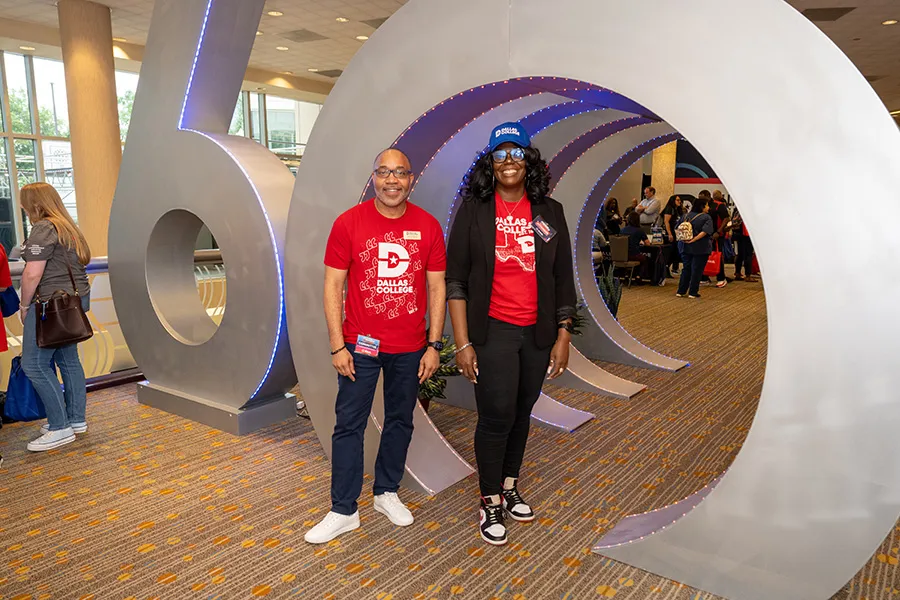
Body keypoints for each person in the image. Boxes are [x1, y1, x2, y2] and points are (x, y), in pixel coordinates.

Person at [305, 149, 447, 544]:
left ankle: (387, 492)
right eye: (384, 172)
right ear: (374, 177)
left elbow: (436, 287)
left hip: (411, 347)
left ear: (411, 179)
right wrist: (338, 345)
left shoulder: (429, 227)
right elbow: (333, 285)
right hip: (360, 347)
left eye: (400, 172)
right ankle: (343, 509)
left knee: (401, 420)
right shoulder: (348, 223)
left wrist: (434, 344)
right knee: (349, 424)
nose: (391, 180)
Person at [446, 122, 577, 546]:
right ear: (490, 163)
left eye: (516, 153)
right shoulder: (473, 210)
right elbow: (457, 281)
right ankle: (489, 500)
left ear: (529, 160)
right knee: (496, 413)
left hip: (537, 333)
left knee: (522, 411)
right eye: (499, 155)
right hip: (493, 331)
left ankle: (508, 484)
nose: (508, 162)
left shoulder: (549, 212)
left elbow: (562, 278)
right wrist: (463, 342)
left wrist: (563, 334)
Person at [18, 182, 91, 452]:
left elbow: (32, 274)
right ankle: (75, 420)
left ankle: (60, 427)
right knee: (68, 360)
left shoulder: (43, 227)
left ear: (35, 205)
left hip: (51, 304)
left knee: (34, 365)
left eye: (25, 204)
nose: (24, 209)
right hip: (74, 301)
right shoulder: (67, 226)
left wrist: (24, 306)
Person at [675, 197, 714, 299]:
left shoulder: (684, 216)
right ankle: (693, 292)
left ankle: (681, 291)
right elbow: (706, 231)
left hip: (685, 246)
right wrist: (695, 239)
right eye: (707, 205)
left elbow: (677, 228)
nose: (708, 208)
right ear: (702, 206)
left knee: (686, 268)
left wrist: (683, 239)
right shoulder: (706, 217)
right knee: (697, 269)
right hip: (701, 247)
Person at [619, 211, 650, 280]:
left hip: (623, 255)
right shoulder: (640, 230)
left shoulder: (622, 230)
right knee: (644, 259)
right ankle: (639, 275)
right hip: (634, 254)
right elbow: (647, 243)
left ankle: (627, 274)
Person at [709, 190, 731, 288]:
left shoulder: (720, 206)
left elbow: (726, 218)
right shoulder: (710, 205)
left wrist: (719, 231)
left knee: (717, 255)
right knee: (709, 255)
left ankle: (721, 278)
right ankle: (705, 277)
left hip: (717, 235)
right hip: (709, 234)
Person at [731, 206, 758, 282]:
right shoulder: (749, 210)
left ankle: (737, 273)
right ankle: (748, 275)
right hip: (746, 234)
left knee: (740, 253)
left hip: (738, 233)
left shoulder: (738, 208)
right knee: (748, 254)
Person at [661, 195, 685, 275]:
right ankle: (666, 268)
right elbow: (666, 221)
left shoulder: (677, 209)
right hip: (670, 232)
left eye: (680, 200)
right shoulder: (669, 209)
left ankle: (672, 268)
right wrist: (670, 234)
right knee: (671, 251)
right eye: (677, 200)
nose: (679, 202)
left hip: (676, 233)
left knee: (675, 251)